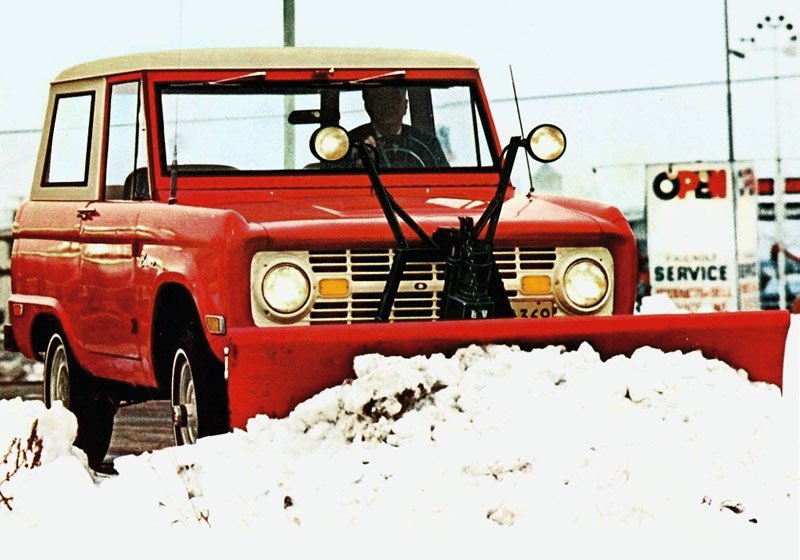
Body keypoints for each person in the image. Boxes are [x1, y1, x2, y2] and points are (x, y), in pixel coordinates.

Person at [348, 87, 449, 169]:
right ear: (368, 106)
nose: (388, 105)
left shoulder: (426, 142)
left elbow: (446, 181)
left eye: (394, 98)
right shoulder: (350, 143)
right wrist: (358, 165)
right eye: (379, 98)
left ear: (405, 106)